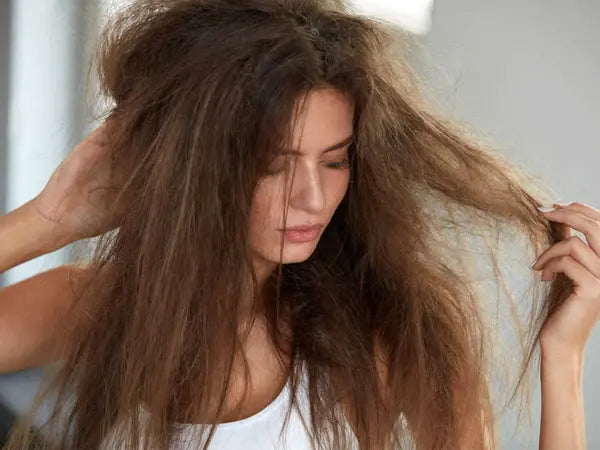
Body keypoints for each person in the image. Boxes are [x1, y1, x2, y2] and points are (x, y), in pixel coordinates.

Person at [0, 0, 597, 448]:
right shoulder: (102, 304)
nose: (313, 198)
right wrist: (47, 221)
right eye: (272, 165)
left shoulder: (388, 334)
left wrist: (563, 361)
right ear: (197, 167)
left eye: (335, 159)